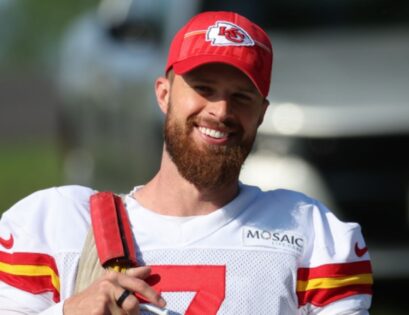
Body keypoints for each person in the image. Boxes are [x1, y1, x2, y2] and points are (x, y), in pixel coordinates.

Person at [0, 11, 372, 315]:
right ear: (163, 94)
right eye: (204, 89)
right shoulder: (58, 227)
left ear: (261, 114)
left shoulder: (311, 236)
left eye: (241, 96)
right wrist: (68, 313)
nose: (221, 111)